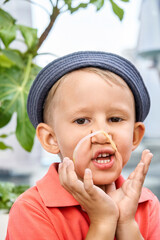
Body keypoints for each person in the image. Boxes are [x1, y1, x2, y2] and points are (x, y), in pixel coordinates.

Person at [6, 51, 160, 240]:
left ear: (135, 136)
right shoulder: (31, 209)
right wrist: (103, 222)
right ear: (51, 138)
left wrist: (126, 223)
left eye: (115, 119)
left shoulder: (147, 204)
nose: (102, 135)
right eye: (81, 121)